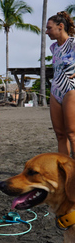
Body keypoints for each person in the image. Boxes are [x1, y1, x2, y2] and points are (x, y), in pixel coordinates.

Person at [46, 11, 75, 157]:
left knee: (72, 133)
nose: (46, 32)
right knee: (60, 134)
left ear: (60, 26)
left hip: (71, 88)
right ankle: (65, 171)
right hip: (55, 89)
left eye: (49, 28)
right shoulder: (53, 47)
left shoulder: (73, 43)